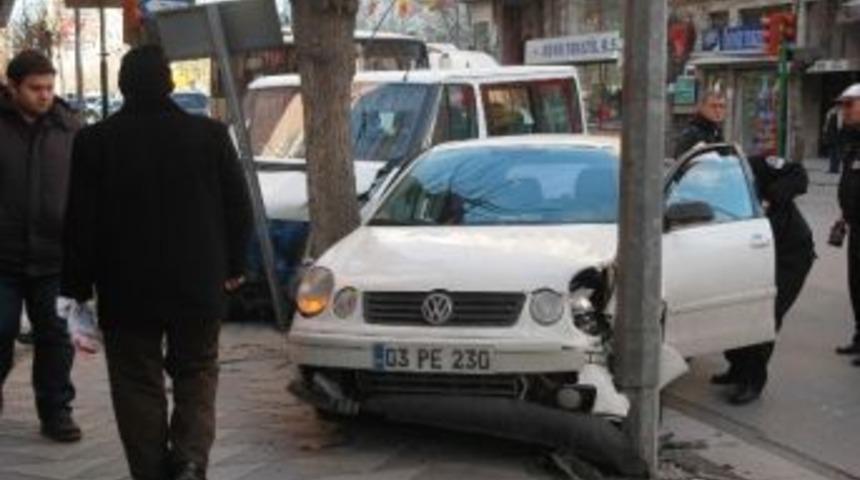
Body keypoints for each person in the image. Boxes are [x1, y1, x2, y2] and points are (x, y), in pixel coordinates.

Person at [61, 46, 253, 480]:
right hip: (198, 284)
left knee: (135, 381)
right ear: (169, 83)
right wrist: (234, 267)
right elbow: (238, 207)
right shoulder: (209, 136)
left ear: (122, 86)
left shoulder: (95, 142)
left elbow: (80, 221)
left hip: (126, 288)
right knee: (197, 371)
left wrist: (76, 286)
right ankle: (189, 460)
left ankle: (149, 470)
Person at [0, 50, 81, 441]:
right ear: (12, 87)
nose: (45, 95)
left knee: (56, 338)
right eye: (35, 88)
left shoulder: (69, 128)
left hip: (54, 257)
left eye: (49, 87)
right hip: (2, 258)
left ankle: (56, 411)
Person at [711, 155, 815, 404]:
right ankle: (737, 369)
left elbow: (799, 175)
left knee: (765, 313)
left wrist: (772, 196)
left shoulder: (755, 164)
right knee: (737, 310)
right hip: (754, 252)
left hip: (789, 254)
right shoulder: (712, 181)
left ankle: (752, 381)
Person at [834, 83, 860, 363]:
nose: (845, 110)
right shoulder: (852, 138)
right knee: (856, 284)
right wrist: (845, 213)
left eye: (850, 104)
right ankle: (859, 337)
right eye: (843, 105)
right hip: (855, 223)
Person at [674, 90, 727, 158]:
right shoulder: (691, 132)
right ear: (702, 107)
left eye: (721, 106)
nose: (718, 110)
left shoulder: (716, 131)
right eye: (713, 106)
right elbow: (680, 159)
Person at [823, 103, 844, 174]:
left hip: (837, 135)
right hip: (831, 134)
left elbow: (840, 125)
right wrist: (825, 131)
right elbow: (827, 123)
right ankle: (832, 168)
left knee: (837, 152)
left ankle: (836, 168)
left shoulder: (841, 112)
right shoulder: (831, 112)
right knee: (832, 152)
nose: (837, 107)